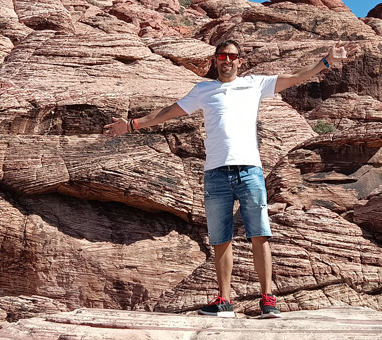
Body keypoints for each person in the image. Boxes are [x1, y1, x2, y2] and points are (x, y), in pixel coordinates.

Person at [103, 39, 356, 318]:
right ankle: (224, 301)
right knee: (220, 238)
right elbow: (168, 112)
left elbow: (296, 77)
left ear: (240, 61)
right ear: (215, 60)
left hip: (249, 170)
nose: (227, 60)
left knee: (259, 234)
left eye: (232, 56)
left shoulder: (254, 85)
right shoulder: (204, 90)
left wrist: (327, 61)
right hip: (216, 172)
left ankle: (268, 299)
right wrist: (132, 124)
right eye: (222, 55)